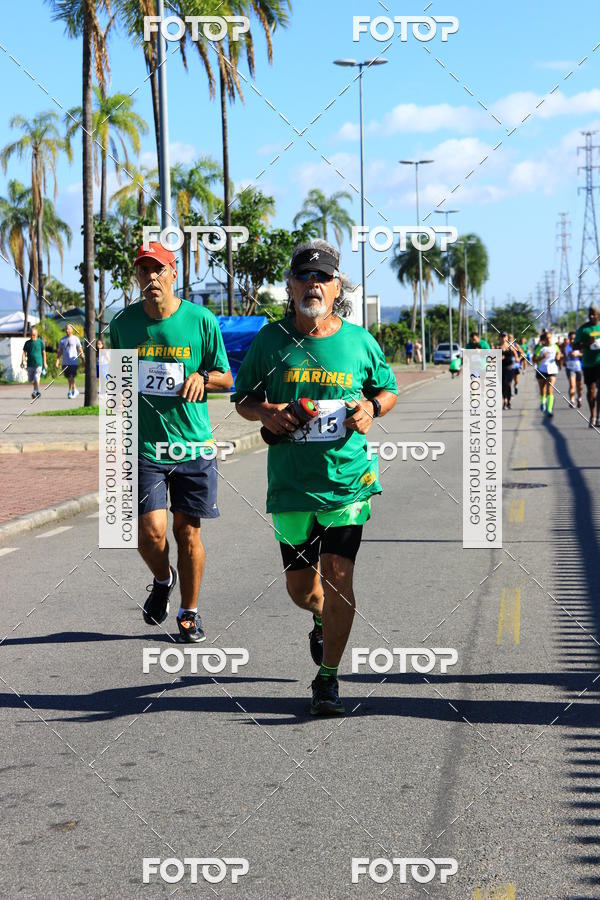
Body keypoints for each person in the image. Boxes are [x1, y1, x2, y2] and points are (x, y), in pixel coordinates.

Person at [232, 239, 398, 716]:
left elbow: (386, 390)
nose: (314, 284)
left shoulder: (359, 341)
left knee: (340, 576)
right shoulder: (270, 340)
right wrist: (265, 412)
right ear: (289, 285)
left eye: (323, 277)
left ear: (336, 286)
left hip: (348, 481)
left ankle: (328, 677)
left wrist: (370, 408)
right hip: (291, 485)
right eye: (304, 277)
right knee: (302, 590)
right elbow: (243, 398)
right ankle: (321, 618)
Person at [110, 242, 233, 642]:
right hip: (146, 447)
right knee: (150, 534)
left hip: (193, 446)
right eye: (143, 271)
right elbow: (118, 386)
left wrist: (203, 378)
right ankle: (163, 580)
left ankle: (188, 612)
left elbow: (226, 377)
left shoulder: (200, 320)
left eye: (157, 270)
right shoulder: (124, 324)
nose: (151, 278)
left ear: (173, 272)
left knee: (188, 532)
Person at [574, 305, 600, 427]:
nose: (590, 316)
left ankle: (598, 416)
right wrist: (586, 344)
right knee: (591, 390)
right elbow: (575, 345)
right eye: (589, 314)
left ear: (598, 315)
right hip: (588, 363)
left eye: (593, 314)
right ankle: (593, 415)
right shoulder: (583, 330)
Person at [533, 331, 561, 417]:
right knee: (543, 390)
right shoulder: (540, 348)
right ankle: (543, 401)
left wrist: (558, 357)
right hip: (541, 370)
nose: (549, 339)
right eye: (547, 338)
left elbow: (558, 353)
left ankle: (549, 409)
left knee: (550, 390)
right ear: (544, 339)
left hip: (552, 371)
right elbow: (534, 359)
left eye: (550, 337)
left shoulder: (555, 346)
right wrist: (542, 357)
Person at [55, 323, 84, 398]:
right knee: (69, 378)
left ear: (72, 330)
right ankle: (75, 390)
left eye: (68, 329)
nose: (67, 330)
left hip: (73, 362)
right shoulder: (62, 340)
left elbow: (80, 350)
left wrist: (83, 359)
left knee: (71, 377)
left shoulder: (76, 339)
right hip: (65, 362)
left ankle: (70, 392)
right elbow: (60, 351)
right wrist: (57, 361)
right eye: (66, 329)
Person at [21, 325, 47, 398]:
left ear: (37, 334)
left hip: (38, 363)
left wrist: (45, 363)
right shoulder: (27, 343)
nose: (32, 336)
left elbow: (44, 352)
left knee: (36, 377)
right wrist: (22, 361)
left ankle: (35, 391)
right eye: (31, 335)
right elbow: (24, 353)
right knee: (30, 379)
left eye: (34, 335)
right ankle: (36, 390)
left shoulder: (40, 342)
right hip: (30, 364)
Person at [563, 330, 583, 408]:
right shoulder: (566, 347)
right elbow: (564, 356)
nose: (572, 340)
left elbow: (583, 353)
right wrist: (565, 359)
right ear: (568, 339)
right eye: (571, 339)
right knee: (572, 385)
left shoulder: (579, 345)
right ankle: (572, 400)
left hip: (579, 367)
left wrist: (577, 354)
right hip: (570, 368)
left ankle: (579, 398)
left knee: (580, 386)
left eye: (574, 338)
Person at [500, 333, 518, 410]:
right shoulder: (498, 347)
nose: (503, 338)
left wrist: (517, 359)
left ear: (506, 337)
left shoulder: (511, 346)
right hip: (501, 368)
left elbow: (516, 355)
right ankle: (505, 400)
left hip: (510, 368)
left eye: (504, 336)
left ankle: (508, 401)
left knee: (508, 384)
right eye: (501, 337)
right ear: (499, 338)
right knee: (503, 385)